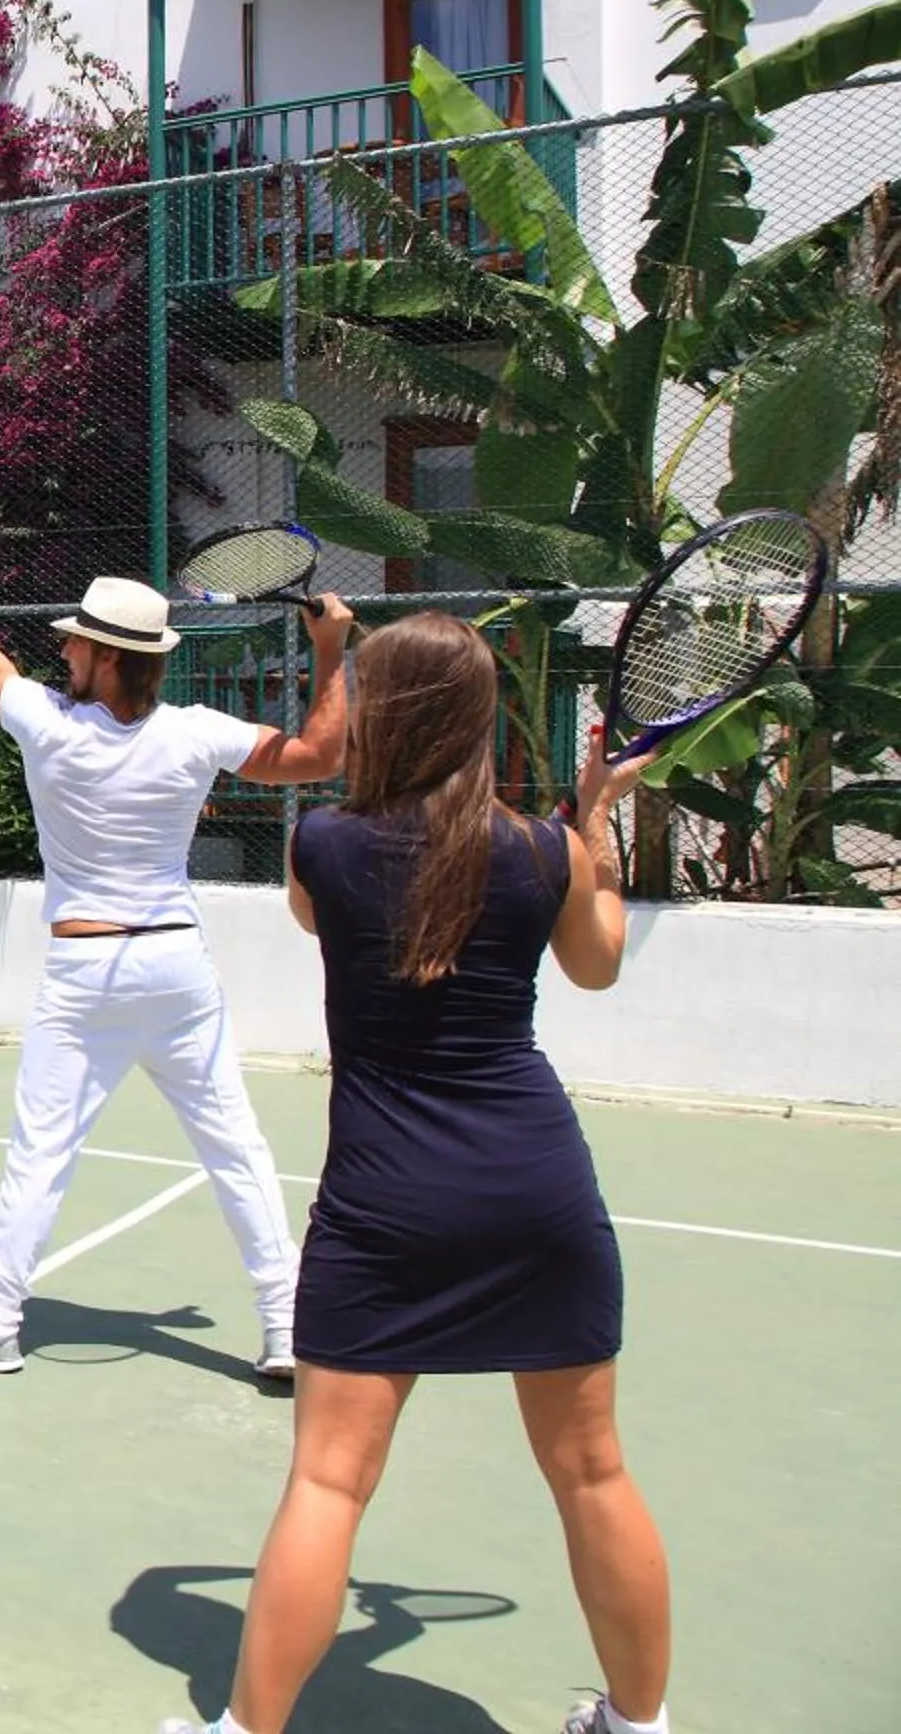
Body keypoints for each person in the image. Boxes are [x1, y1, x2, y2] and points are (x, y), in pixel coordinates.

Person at [161, 614, 669, 1734]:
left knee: (328, 1481)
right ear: (480, 718)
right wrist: (593, 818)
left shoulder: (323, 848)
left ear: (384, 717)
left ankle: (244, 1728)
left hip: (385, 1204)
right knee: (592, 1472)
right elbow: (598, 963)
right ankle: (640, 1723)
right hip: (536, 1193)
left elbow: (327, 916)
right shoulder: (548, 852)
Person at [0, 496, 352, 1380]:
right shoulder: (197, 734)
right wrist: (330, 654)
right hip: (176, 969)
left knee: (41, 1154)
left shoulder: (48, 727)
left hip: (86, 973)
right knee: (236, 1147)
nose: (65, 652)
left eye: (78, 644)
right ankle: (287, 1327)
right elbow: (323, 756)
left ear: (108, 657)